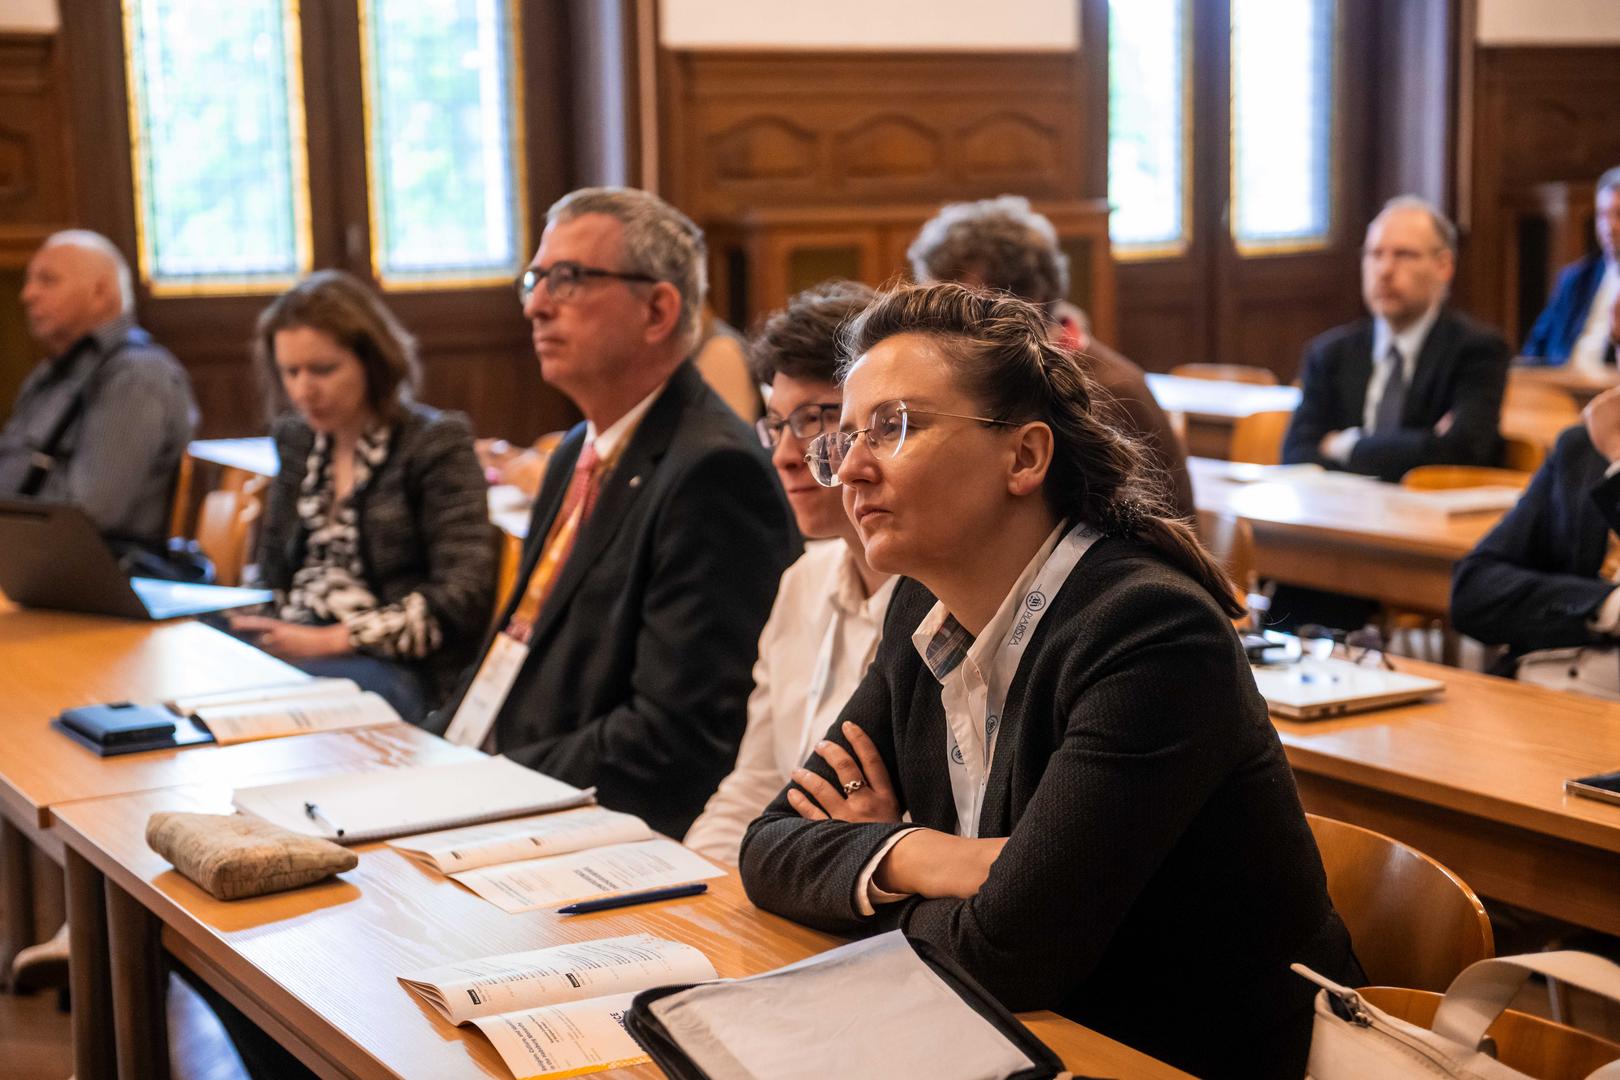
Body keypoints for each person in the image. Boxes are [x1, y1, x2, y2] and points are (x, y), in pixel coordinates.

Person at [739, 283, 1361, 1079]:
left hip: (1179, 1060)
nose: (851, 469)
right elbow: (769, 847)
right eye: (849, 437)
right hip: (1015, 1039)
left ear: (1025, 457)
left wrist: (865, 870)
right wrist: (933, 856)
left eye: (895, 428)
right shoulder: (920, 608)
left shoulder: (1150, 633)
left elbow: (1008, 953)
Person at [437, 187, 797, 840]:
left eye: (569, 279)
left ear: (657, 310)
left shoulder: (713, 471)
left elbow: (672, 737)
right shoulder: (576, 449)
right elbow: (516, 648)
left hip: (599, 826)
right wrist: (430, 753)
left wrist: (483, 781)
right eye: (535, 280)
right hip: (501, 785)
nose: (536, 305)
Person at [684, 282, 897, 864]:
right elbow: (755, 784)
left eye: (812, 420)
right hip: (784, 874)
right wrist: (691, 886)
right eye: (776, 425)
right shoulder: (803, 580)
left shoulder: (942, 600)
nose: (782, 455)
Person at [233, 270, 496, 724]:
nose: (304, 390)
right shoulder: (298, 439)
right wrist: (240, 616)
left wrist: (329, 640)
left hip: (392, 666)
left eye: (323, 369)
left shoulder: (434, 442)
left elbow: (462, 598)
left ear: (373, 363)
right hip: (296, 638)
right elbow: (273, 571)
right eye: (291, 372)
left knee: (256, 697)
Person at [907, 195, 1196, 523]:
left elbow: (1119, 531)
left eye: (963, 305)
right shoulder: (994, 377)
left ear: (1027, 300)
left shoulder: (1110, 391)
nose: (944, 326)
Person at [1282, 196, 1510, 482]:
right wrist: (1425, 442)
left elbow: (1462, 452)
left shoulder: (1477, 350)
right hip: (1341, 506)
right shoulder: (1330, 354)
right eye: (1374, 254)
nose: (1385, 270)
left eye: (1404, 255)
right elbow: (1296, 454)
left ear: (1443, 266)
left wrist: (1345, 445)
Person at [0, 230, 196, 553]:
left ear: (100, 292)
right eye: (28, 281)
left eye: (47, 280)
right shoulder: (50, 373)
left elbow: (89, 515)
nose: (27, 294)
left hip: (88, 566)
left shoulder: (136, 376)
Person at [1451, 386, 1620, 699]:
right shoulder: (1582, 447)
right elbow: (1472, 590)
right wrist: (1607, 607)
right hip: (1535, 685)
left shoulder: (1610, 446)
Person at [1522, 166, 1620, 368]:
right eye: (1602, 215)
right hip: (1562, 382)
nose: (1609, 226)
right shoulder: (1577, 278)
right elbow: (1536, 348)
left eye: (1619, 215)